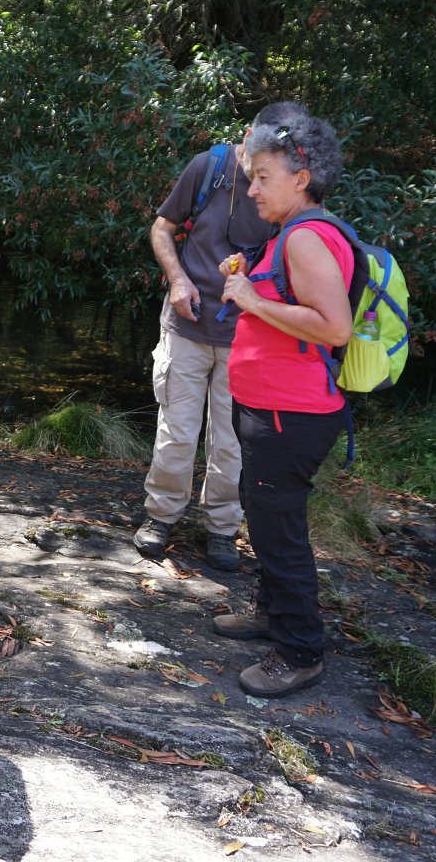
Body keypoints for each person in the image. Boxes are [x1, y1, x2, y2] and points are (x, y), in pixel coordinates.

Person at [213, 110, 353, 697]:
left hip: (290, 415)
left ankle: (299, 650)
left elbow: (334, 327)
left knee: (279, 529)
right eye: (252, 178)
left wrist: (250, 298)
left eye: (263, 177)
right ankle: (271, 611)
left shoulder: (307, 237)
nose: (253, 190)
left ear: (301, 177)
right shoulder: (291, 233)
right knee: (263, 512)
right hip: (270, 409)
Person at [134, 105, 300, 570]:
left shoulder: (290, 188)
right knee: (176, 432)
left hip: (248, 335)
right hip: (186, 324)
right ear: (246, 134)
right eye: (254, 151)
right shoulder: (209, 166)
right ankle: (161, 516)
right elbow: (162, 228)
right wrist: (178, 280)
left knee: (231, 441)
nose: (257, 171)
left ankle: (222, 529)